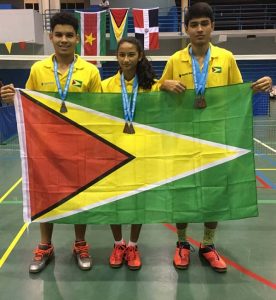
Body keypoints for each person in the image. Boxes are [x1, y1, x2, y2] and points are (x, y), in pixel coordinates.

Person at [159, 2, 272, 272]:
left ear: (212, 27)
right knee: (183, 191)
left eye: (204, 24)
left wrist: (257, 87)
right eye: (194, 24)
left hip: (217, 138)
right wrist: (163, 84)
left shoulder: (226, 57)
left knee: (214, 193)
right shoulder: (176, 60)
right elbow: (158, 92)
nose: (199, 29)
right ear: (186, 29)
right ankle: (182, 243)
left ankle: (208, 244)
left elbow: (237, 94)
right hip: (184, 138)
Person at [1, 12, 101, 273]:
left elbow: (99, 111)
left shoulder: (90, 71)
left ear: (78, 38)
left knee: (80, 197)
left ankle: (80, 243)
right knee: (46, 196)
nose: (64, 39)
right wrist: (12, 98)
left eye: (69, 35)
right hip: (46, 146)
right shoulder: (38, 69)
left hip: (80, 146)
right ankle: (45, 245)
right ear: (51, 37)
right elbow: (29, 103)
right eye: (59, 35)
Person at [101, 37, 158, 270]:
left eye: (131, 54)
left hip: (141, 153)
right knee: (114, 201)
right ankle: (118, 243)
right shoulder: (104, 86)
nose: (126, 59)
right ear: (117, 57)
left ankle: (133, 245)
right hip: (113, 152)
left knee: (137, 201)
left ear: (140, 56)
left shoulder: (153, 86)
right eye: (122, 55)